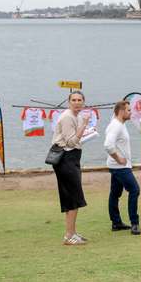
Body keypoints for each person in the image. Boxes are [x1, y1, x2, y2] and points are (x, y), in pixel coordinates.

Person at [51, 91, 90, 245]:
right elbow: (72, 141)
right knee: (73, 198)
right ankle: (69, 235)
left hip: (72, 158)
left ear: (84, 102)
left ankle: (71, 233)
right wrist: (85, 125)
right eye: (73, 100)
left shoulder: (77, 116)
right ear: (69, 102)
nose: (77, 102)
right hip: (65, 159)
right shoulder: (68, 117)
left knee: (71, 198)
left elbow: (76, 138)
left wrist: (86, 130)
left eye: (79, 100)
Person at [104, 100, 141, 235]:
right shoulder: (116, 126)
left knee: (115, 193)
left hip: (117, 166)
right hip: (120, 167)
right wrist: (119, 158)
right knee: (135, 190)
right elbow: (108, 145)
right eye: (129, 110)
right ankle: (135, 223)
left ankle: (116, 223)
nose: (131, 112)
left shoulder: (117, 123)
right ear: (121, 112)